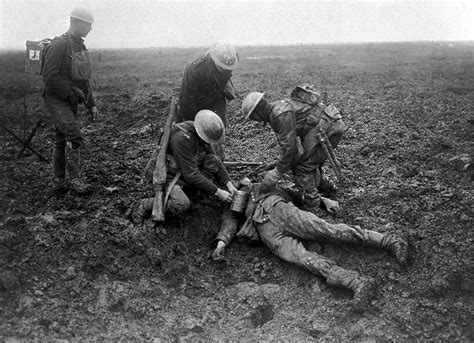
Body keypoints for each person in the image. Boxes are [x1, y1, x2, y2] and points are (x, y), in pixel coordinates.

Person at [212, 177, 408, 310]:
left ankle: (389, 240)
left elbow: (294, 190)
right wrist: (221, 243)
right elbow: (229, 221)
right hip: (266, 232)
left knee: (327, 230)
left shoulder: (261, 182)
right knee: (304, 259)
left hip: (281, 210)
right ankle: (356, 282)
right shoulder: (233, 203)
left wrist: (323, 200)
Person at [241, 89, 346, 213]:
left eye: (253, 117)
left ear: (258, 111)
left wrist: (276, 172)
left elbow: (289, 149)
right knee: (308, 160)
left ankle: (312, 206)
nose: (255, 120)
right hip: (326, 125)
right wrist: (276, 164)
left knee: (303, 167)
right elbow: (295, 150)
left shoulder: (279, 114)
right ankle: (326, 187)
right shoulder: (276, 112)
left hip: (329, 128)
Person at [132, 110, 237, 223]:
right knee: (182, 204)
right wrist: (218, 192)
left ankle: (195, 194)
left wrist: (229, 183)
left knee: (212, 161)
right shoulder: (181, 139)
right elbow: (191, 175)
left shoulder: (200, 130)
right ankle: (144, 204)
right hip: (166, 174)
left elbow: (213, 158)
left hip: (183, 170)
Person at [42, 8, 99, 194]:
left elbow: (84, 78)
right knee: (73, 135)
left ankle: (58, 181)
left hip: (70, 98)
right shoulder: (59, 45)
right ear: (75, 22)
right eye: (87, 24)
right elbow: (50, 78)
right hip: (56, 98)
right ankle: (75, 181)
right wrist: (71, 92)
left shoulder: (80, 46)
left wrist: (91, 105)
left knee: (61, 138)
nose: (90, 29)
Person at [177, 43, 239, 128]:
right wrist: (194, 125)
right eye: (222, 67)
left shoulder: (231, 58)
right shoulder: (196, 68)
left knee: (219, 129)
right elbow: (186, 101)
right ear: (214, 60)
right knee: (195, 130)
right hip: (196, 99)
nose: (225, 70)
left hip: (216, 95)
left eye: (227, 68)